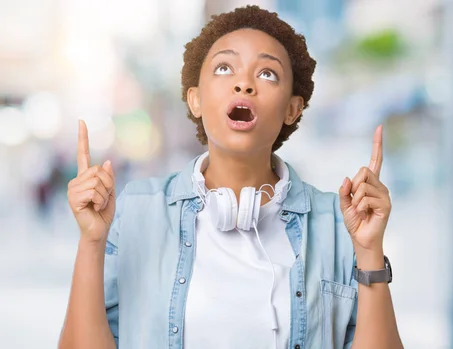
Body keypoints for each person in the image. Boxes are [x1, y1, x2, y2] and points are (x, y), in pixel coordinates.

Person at [58, 5, 403, 349]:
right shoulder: (135, 211)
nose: (244, 84)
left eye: (267, 73)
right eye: (224, 68)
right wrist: (91, 241)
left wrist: (370, 249)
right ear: (195, 99)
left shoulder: (338, 225)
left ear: (292, 109)